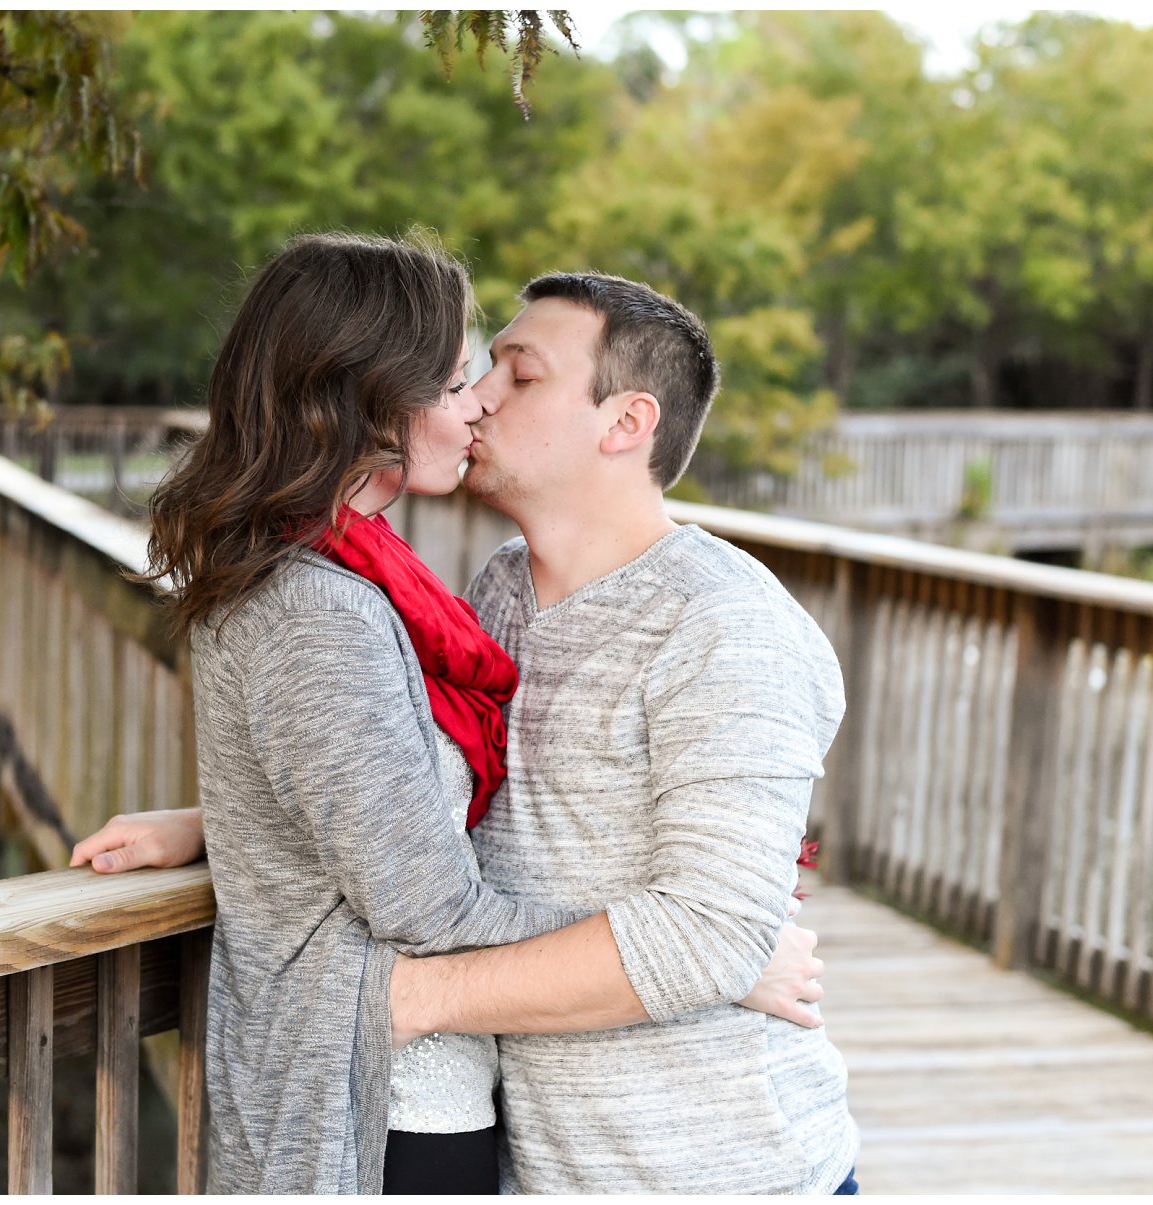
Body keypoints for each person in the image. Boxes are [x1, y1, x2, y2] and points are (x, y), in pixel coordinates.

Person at [72, 239, 833, 1194]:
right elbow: (444, 808)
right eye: (469, 373)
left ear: (627, 421)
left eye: (517, 373)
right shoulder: (497, 595)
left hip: (706, 1165)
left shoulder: (726, 625)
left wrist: (709, 955)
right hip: (535, 1150)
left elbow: (703, 931)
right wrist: (226, 823)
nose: (480, 397)